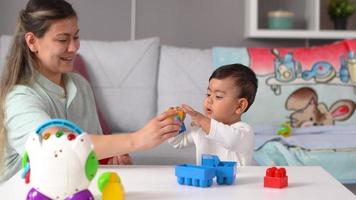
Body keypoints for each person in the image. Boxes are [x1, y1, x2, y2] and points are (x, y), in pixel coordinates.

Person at [0, 0, 181, 182]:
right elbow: (55, 147)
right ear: (32, 42)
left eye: (76, 37)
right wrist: (137, 139)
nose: (74, 47)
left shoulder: (80, 85)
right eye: (63, 40)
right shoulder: (19, 98)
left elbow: (89, 151)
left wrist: (111, 159)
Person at [168, 64, 258, 166]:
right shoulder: (201, 129)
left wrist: (201, 120)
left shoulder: (244, 132)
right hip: (207, 181)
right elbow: (179, 142)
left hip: (238, 181)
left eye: (218, 96)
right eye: (208, 94)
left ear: (239, 106)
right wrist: (174, 123)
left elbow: (230, 140)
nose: (209, 100)